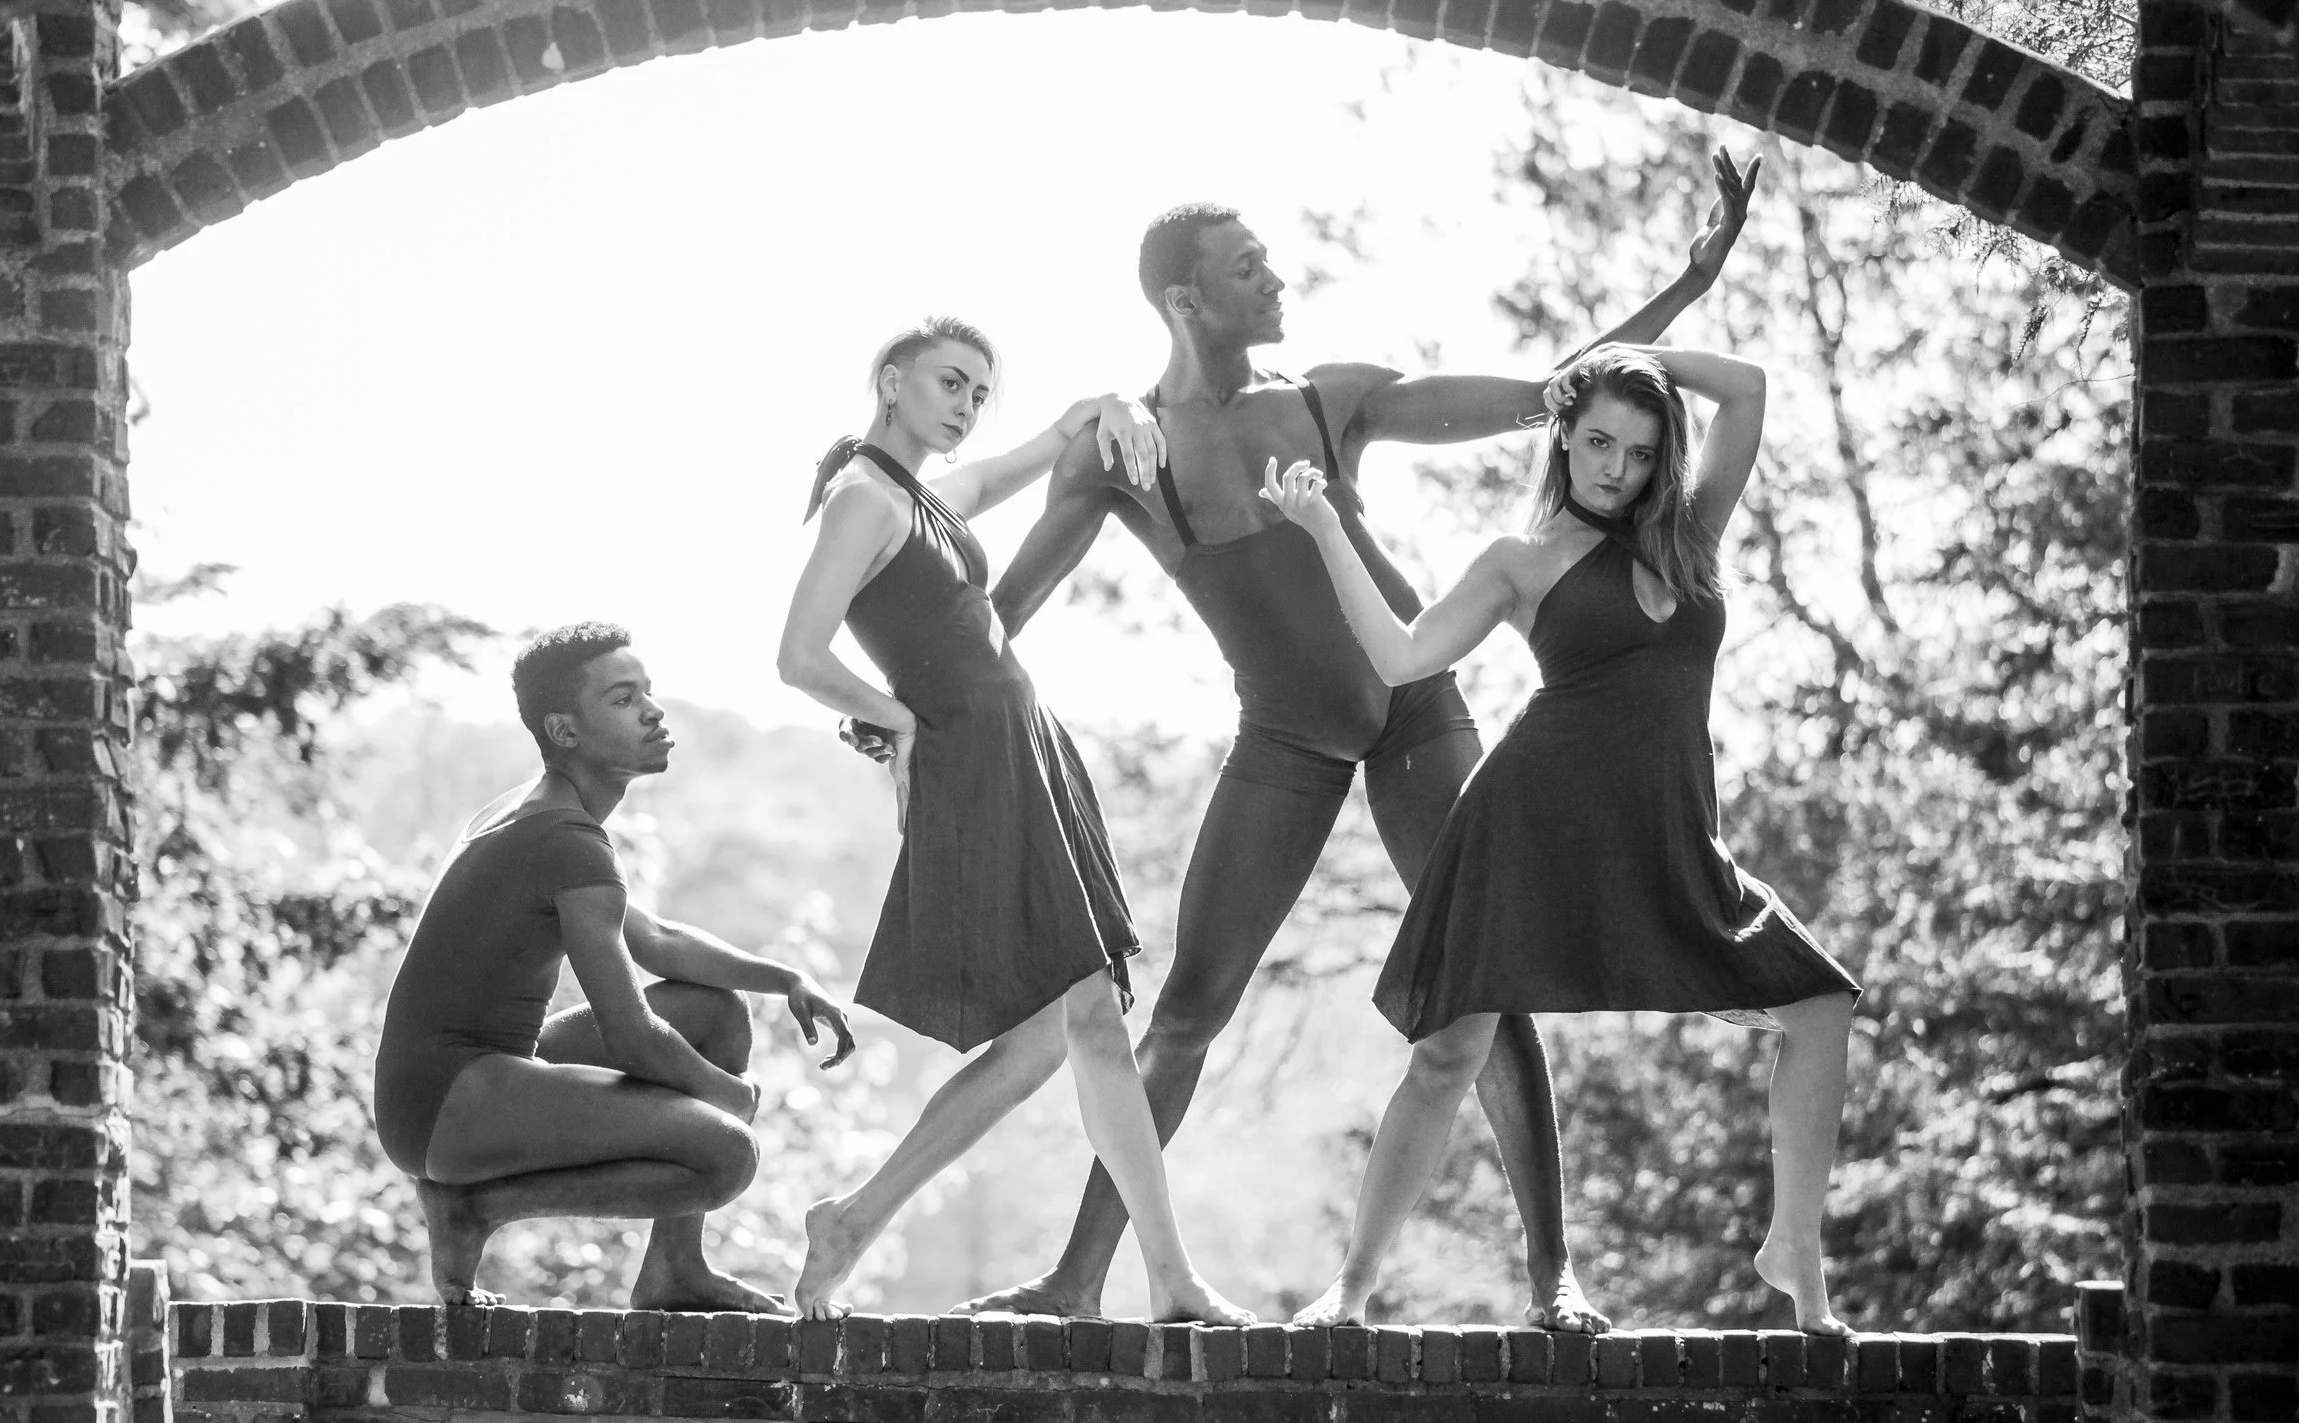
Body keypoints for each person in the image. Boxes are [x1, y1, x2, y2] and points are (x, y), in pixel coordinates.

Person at [958, 152, 1762, 1332]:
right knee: (1184, 1009)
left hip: (1416, 713)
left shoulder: (1331, 397)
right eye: (1246, 268)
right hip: (1283, 740)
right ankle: (1075, 1280)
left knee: (1491, 983)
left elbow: (1549, 392)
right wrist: (893, 698)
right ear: (1184, 299)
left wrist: (1686, 285)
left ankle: (1555, 1280)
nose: (1274, 279)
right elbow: (1001, 611)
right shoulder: (1118, 454)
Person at [1262, 342, 1860, 1334]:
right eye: (1594, 441)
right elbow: (1402, 653)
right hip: (1529, 825)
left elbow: (1746, 388)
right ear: (1562, 438)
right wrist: (1322, 525)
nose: (1614, 467)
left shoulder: (1687, 535)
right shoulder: (1520, 560)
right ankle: (1353, 1285)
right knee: (1449, 1053)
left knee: (1818, 1004)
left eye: (1637, 449)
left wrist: (1622, 359)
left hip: (1663, 833)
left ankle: (1793, 1245)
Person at [776, 316, 1249, 1325]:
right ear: (890, 379)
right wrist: (902, 723)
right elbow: (798, 654)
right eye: (950, 382)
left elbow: (1032, 455)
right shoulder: (862, 496)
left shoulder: (922, 500)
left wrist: (1106, 409)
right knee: (1083, 1024)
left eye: (980, 392)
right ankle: (1166, 1277)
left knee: (1061, 1035)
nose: (965, 404)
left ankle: (856, 1219)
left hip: (1018, 754)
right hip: (973, 766)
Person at [373, 623, 857, 1309]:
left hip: (464, 1081)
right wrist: (729, 1096)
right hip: (448, 1102)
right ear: (565, 731)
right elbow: (630, 1034)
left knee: (715, 1009)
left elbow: (655, 940)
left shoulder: (547, 814)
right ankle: (476, 1207)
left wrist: (786, 979)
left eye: (648, 693)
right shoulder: (564, 838)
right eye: (625, 699)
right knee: (725, 1155)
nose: (654, 711)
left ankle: (673, 1272)